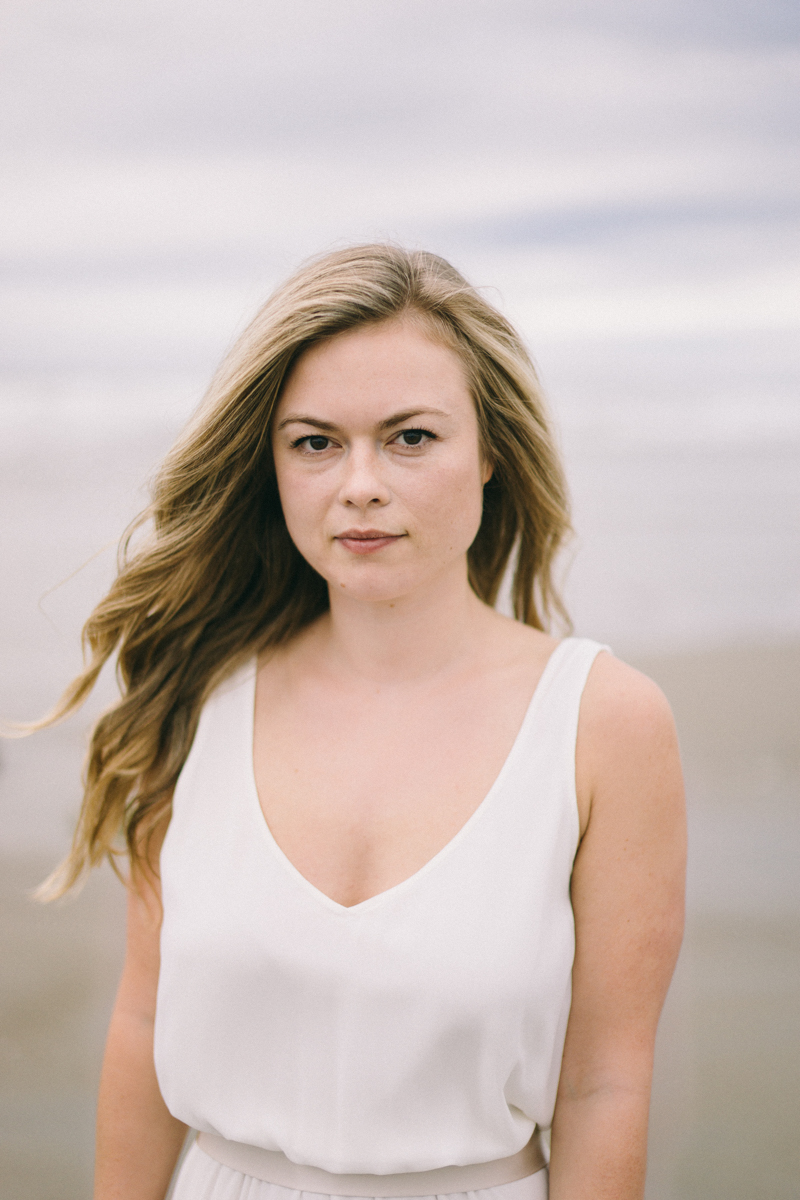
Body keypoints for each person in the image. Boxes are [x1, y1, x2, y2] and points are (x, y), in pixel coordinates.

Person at [41, 244, 686, 1200]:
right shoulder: (200, 692)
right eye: (316, 442)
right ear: (274, 466)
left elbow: (603, 1087)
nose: (361, 485)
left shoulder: (604, 725)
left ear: (491, 449)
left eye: (411, 437)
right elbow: (143, 1024)